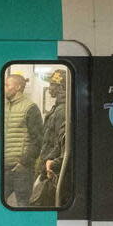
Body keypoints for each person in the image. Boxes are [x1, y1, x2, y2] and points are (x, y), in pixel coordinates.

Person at [2, 74, 43, 206]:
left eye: (7, 85)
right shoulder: (3, 106)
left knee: (23, 204)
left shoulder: (30, 108)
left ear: (18, 87)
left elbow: (37, 140)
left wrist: (24, 162)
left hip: (22, 169)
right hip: (4, 168)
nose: (4, 88)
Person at [33, 70, 69, 206]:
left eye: (52, 85)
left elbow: (58, 142)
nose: (49, 88)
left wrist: (49, 163)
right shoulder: (58, 107)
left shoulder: (62, 110)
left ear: (61, 87)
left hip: (52, 167)